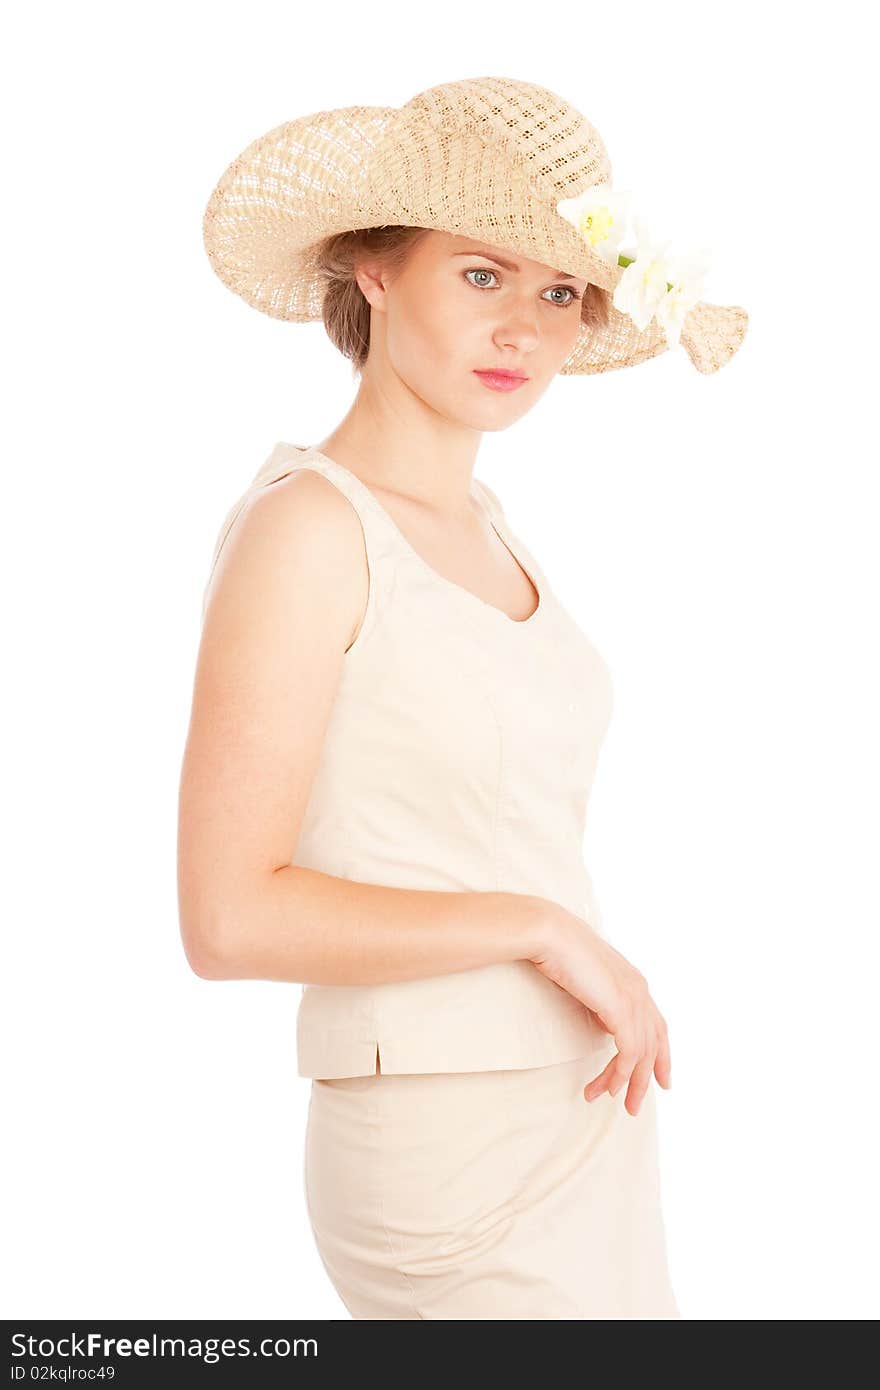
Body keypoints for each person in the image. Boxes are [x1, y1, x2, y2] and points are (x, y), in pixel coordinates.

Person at [178, 76, 747, 1320]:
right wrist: (542, 928)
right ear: (374, 269)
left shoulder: (486, 526)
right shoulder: (311, 531)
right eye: (483, 275)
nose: (528, 331)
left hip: (579, 1106)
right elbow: (228, 917)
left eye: (560, 293)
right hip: (443, 1137)